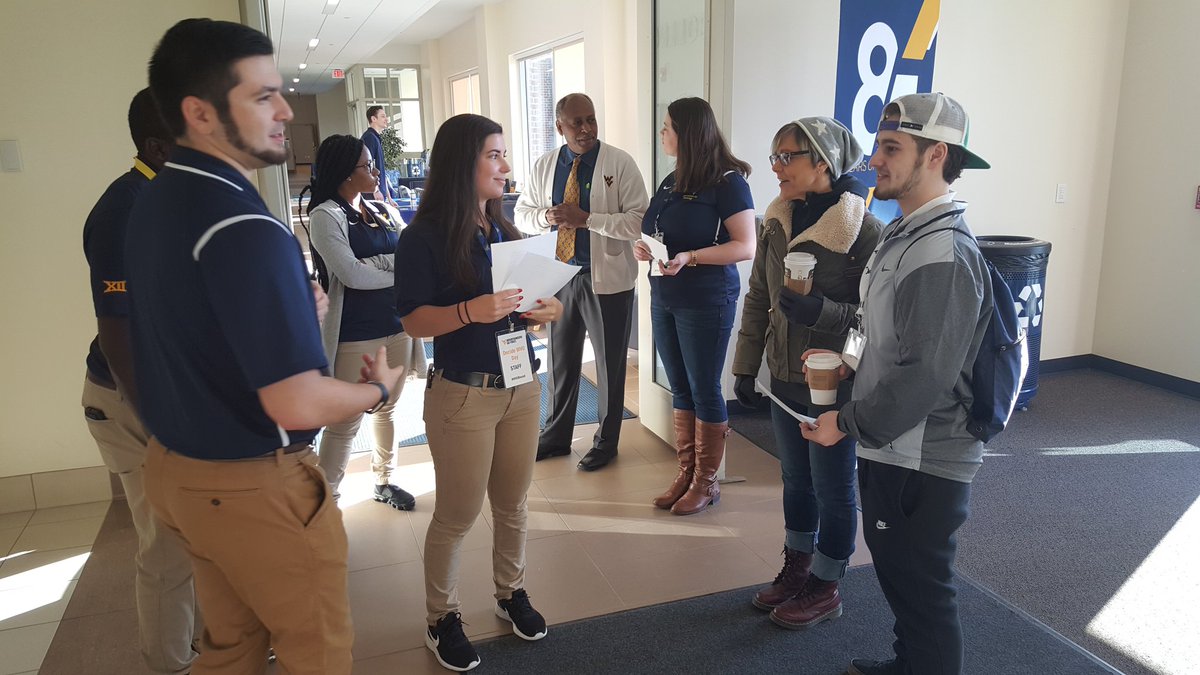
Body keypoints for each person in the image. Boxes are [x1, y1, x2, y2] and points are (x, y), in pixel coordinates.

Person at [126, 18, 407, 674]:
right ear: (199, 113)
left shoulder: (155, 200)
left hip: (178, 469)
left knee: (231, 647)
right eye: (262, 96)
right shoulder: (245, 226)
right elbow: (297, 402)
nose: (285, 110)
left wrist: (291, 313)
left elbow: (196, 326)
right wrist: (376, 389)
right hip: (251, 483)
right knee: (319, 653)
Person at [800, 92, 993, 675]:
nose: (875, 161)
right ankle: (910, 663)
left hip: (924, 454)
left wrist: (845, 422)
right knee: (901, 575)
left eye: (891, 148)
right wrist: (848, 363)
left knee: (923, 588)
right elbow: (877, 327)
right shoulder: (904, 234)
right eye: (878, 146)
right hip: (894, 441)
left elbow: (927, 373)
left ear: (936, 155)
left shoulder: (940, 252)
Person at [395, 113, 564, 672]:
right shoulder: (422, 237)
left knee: (513, 503)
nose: (506, 166)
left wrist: (546, 309)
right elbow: (414, 321)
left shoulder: (502, 229)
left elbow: (523, 307)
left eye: (503, 154)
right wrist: (470, 311)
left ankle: (510, 592)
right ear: (461, 162)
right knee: (458, 513)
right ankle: (440, 617)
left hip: (521, 386)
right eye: (494, 155)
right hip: (463, 395)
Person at [732, 117, 882, 628]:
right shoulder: (776, 220)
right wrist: (746, 366)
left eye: (786, 156)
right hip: (783, 376)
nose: (776, 167)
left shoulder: (864, 230)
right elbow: (758, 295)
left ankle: (827, 581)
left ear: (823, 161)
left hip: (832, 381)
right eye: (773, 156)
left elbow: (875, 320)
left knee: (832, 486)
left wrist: (823, 312)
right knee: (795, 479)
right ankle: (798, 565)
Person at [79, 87, 199, 675]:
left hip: (174, 391)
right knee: (168, 546)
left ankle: (211, 641)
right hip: (133, 399)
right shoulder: (122, 212)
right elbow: (119, 334)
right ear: (158, 147)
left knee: (201, 531)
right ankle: (170, 663)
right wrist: (161, 421)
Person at [634, 97, 755, 516]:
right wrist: (645, 248)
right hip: (665, 295)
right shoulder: (672, 180)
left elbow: (746, 246)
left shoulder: (728, 183)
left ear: (688, 133)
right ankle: (686, 472)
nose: (662, 133)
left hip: (706, 300)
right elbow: (660, 231)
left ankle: (707, 481)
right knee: (680, 386)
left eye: (667, 127)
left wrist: (691, 257)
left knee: (704, 388)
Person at [515, 93, 648, 471]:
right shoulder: (546, 165)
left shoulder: (619, 163)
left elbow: (638, 220)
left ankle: (606, 442)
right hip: (559, 277)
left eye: (591, 119)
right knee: (560, 362)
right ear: (560, 126)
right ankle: (556, 437)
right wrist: (547, 217)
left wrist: (587, 219)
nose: (586, 128)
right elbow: (522, 214)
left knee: (609, 364)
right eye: (577, 123)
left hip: (606, 280)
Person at [306, 134, 427, 509]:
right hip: (355, 334)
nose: (376, 171)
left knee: (387, 408)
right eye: (367, 165)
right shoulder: (325, 216)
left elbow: (412, 258)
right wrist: (395, 270)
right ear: (345, 172)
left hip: (397, 326)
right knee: (345, 422)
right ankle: (326, 503)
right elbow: (351, 275)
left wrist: (378, 264)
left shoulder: (382, 210)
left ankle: (384, 480)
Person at [362, 105, 394, 203]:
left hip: (378, 193)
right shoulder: (370, 138)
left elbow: (381, 170)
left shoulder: (375, 138)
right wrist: (375, 191)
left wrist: (389, 197)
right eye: (383, 116)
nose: (386, 119)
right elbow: (367, 166)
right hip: (372, 194)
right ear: (373, 119)